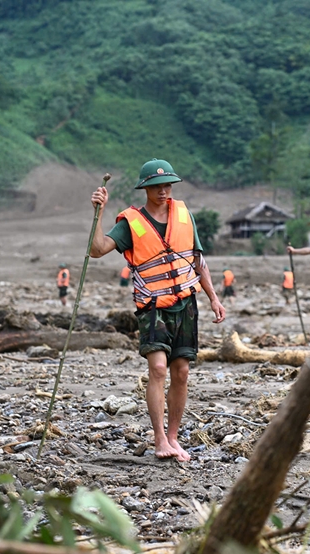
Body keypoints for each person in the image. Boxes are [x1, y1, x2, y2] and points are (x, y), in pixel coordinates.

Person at [89, 158, 226, 462]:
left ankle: (174, 437)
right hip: (153, 307)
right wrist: (98, 213)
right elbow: (97, 250)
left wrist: (214, 297)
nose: (163, 191)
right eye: (156, 186)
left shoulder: (183, 216)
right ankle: (159, 439)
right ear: (145, 188)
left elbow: (197, 261)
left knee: (182, 371)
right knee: (159, 369)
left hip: (186, 303)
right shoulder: (131, 223)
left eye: (167, 185)